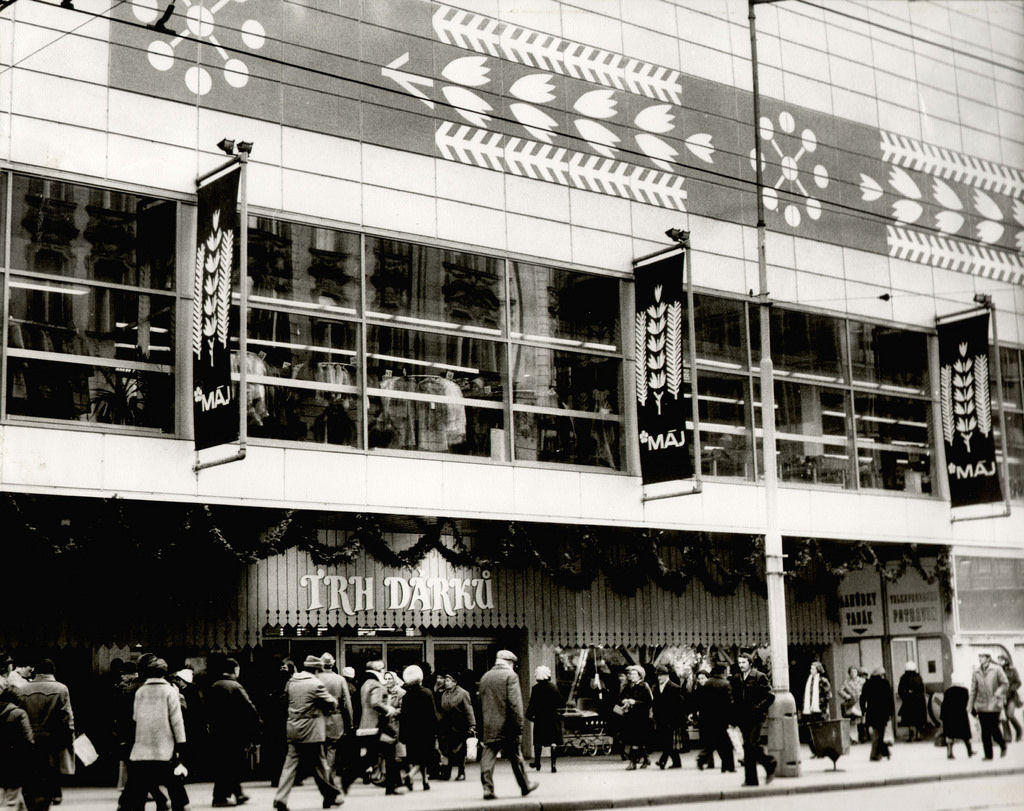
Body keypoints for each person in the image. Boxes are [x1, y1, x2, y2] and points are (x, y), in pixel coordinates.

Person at [273, 655, 342, 811]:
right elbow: (331, 702)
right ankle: (331, 794)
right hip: (312, 730)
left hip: (293, 728)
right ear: (317, 669)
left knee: (289, 766)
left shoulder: (291, 682)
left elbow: (286, 700)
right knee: (320, 765)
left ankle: (280, 798)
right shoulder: (316, 684)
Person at [120, 658, 190, 811]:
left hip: (142, 747)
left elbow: (135, 718)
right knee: (173, 783)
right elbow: (177, 721)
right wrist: (181, 744)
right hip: (164, 746)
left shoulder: (140, 692)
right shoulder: (170, 691)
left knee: (139, 786)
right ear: (164, 672)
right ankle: (180, 805)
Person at [478, 650, 537, 801]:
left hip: (489, 724)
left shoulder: (485, 677)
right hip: (508, 725)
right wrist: (519, 725)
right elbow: (514, 703)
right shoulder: (511, 676)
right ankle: (525, 785)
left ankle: (487, 788)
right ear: (510, 663)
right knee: (516, 756)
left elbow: (480, 704)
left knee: (488, 756)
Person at [19, 658, 74, 811]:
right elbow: (67, 717)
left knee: (32, 772)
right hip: (52, 738)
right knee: (50, 772)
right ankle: (47, 800)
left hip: (29, 736)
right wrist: (69, 737)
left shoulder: (22, 689)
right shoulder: (61, 689)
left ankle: (32, 801)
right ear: (53, 671)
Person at [206, 657, 261, 807]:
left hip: (218, 732)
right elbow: (249, 709)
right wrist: (257, 725)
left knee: (224, 763)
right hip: (234, 732)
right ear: (235, 670)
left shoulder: (214, 686)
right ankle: (220, 797)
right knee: (231, 764)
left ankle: (238, 793)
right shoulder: (236, 687)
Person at [733, 652, 776, 786]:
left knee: (751, 745)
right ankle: (751, 779)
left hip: (756, 717)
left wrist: (759, 708)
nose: (741, 665)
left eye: (744, 662)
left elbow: (770, 696)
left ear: (750, 663)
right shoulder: (737, 678)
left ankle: (769, 763)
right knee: (748, 747)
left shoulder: (759, 676)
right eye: (739, 663)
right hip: (743, 717)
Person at [356, 660, 397, 793]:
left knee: (375, 754)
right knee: (389, 751)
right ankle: (391, 785)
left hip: (366, 725)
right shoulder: (376, 685)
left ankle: (389, 782)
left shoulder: (365, 685)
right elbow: (376, 703)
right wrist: (389, 709)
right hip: (377, 725)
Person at [398, 665, 437, 791]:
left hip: (411, 731)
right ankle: (410, 775)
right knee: (424, 757)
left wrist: (402, 734)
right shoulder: (427, 693)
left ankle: (425, 781)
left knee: (415, 757)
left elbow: (403, 716)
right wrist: (435, 729)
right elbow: (432, 713)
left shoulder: (407, 696)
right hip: (425, 730)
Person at [316, 653, 352, 782]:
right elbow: (347, 702)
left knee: (320, 749)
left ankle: (322, 775)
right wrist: (350, 721)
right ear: (333, 664)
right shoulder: (340, 679)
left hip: (318, 718)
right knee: (332, 748)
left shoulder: (316, 678)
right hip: (335, 718)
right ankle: (329, 776)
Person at [694, 665, 734, 773]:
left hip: (708, 718)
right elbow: (729, 703)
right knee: (724, 743)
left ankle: (727, 766)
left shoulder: (707, 684)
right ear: (723, 672)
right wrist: (731, 719)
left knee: (717, 742)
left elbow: (702, 701)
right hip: (721, 718)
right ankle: (726, 765)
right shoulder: (725, 684)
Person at [0, 683, 33, 811]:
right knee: (11, 800)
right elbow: (28, 739)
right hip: (15, 760)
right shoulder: (19, 714)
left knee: (11, 796)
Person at [437, 671, 475, 782]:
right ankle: (446, 772)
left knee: (460, 750)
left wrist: (472, 725)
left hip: (459, 725)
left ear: (454, 682)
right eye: (445, 680)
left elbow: (469, 709)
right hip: (446, 726)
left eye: (448, 680)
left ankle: (461, 772)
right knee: (446, 749)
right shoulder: (444, 694)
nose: (446, 682)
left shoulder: (463, 693)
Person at [969, 652, 1008, 760]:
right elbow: (973, 690)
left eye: (982, 657)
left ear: (988, 658)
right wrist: (970, 705)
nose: (980, 659)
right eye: (979, 657)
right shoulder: (976, 672)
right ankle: (988, 755)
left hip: (994, 703)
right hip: (981, 705)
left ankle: (1002, 745)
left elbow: (1005, 683)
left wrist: (998, 693)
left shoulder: (997, 669)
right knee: (985, 731)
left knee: (994, 729)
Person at [525, 666, 563, 773]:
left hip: (540, 718)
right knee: (553, 742)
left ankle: (537, 763)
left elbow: (532, 704)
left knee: (538, 742)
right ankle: (553, 765)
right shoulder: (554, 688)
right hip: (553, 717)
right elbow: (560, 702)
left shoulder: (535, 689)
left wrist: (529, 715)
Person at [619, 664, 653, 771]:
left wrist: (635, 702)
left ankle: (632, 763)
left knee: (635, 740)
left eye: (634, 674)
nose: (632, 676)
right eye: (631, 674)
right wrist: (624, 701)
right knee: (636, 740)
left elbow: (649, 702)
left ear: (640, 675)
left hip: (641, 717)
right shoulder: (629, 686)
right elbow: (621, 697)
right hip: (630, 716)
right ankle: (646, 759)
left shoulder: (644, 686)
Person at [651, 664, 683, 769]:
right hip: (660, 718)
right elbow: (655, 703)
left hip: (671, 719)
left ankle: (662, 760)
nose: (659, 677)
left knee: (668, 740)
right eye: (658, 675)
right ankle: (677, 762)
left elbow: (679, 705)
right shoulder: (656, 688)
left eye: (661, 675)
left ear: (666, 675)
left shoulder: (675, 687)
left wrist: (677, 719)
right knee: (666, 740)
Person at [860, 667, 894, 762]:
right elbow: (889, 699)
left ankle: (883, 752)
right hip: (883, 713)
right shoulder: (885, 683)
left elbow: (862, 698)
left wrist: (863, 710)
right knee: (879, 734)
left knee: (877, 733)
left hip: (872, 712)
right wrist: (891, 712)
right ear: (881, 674)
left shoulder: (867, 684)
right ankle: (876, 754)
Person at [380, 671, 405, 795]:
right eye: (386, 678)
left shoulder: (401, 692)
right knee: (388, 754)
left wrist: (393, 711)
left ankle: (399, 779)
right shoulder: (382, 691)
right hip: (386, 725)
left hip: (396, 724)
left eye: (390, 678)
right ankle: (391, 779)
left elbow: (404, 708)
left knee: (398, 754)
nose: (388, 681)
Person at [940, 672, 973, 759]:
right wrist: (975, 713)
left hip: (949, 717)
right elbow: (969, 704)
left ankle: (949, 753)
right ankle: (969, 751)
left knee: (950, 736)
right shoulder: (964, 691)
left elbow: (944, 705)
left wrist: (942, 718)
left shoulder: (948, 691)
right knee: (965, 735)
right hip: (961, 716)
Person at [897, 662, 927, 741]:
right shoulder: (918, 677)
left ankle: (910, 734)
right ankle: (918, 734)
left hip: (908, 701)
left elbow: (900, 690)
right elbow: (921, 690)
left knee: (908, 719)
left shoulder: (903, 678)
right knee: (918, 719)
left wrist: (905, 697)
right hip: (918, 701)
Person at [837, 666, 865, 744]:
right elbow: (840, 690)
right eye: (852, 672)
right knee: (853, 720)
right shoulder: (846, 682)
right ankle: (854, 738)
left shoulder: (862, 681)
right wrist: (846, 696)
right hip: (852, 702)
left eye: (855, 672)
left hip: (861, 701)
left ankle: (864, 736)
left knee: (862, 719)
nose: (853, 673)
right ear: (849, 673)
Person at [998, 654, 1022, 742]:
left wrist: (1011, 689)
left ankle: (1019, 730)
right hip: (1002, 696)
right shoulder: (998, 670)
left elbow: (1018, 682)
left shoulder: (1012, 670)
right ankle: (1007, 737)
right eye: (999, 660)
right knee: (1003, 716)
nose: (999, 662)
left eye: (1001, 660)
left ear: (1006, 661)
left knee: (1010, 715)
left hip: (1012, 696)